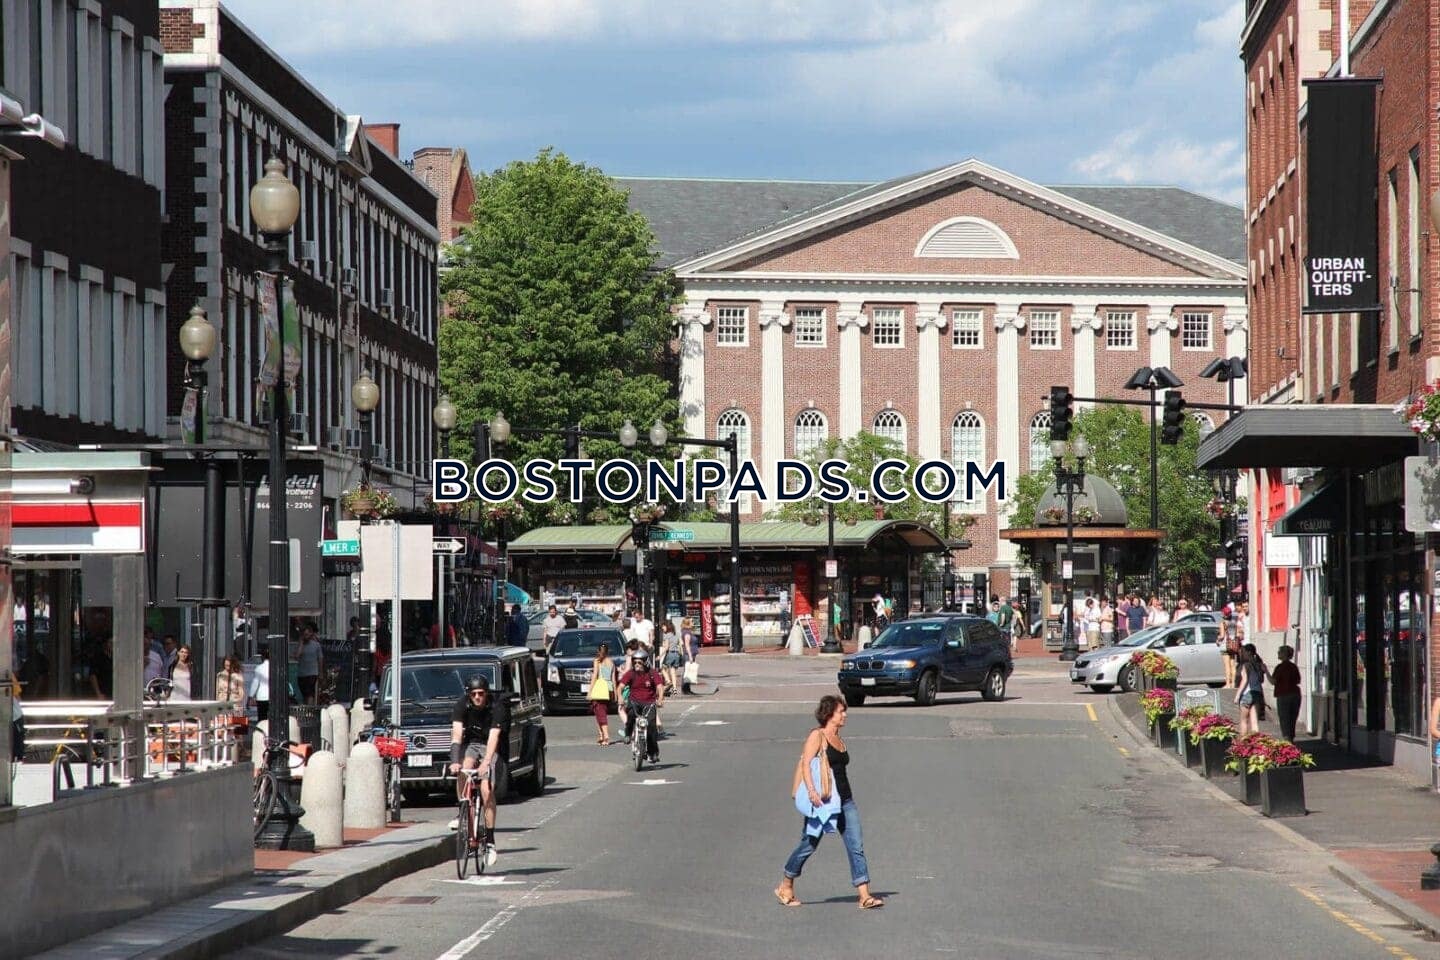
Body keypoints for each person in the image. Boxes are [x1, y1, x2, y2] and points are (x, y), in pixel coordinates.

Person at [775, 695, 883, 910]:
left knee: (856, 846)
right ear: (829, 714)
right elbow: (806, 764)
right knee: (809, 844)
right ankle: (786, 884)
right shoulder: (817, 735)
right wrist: (812, 792)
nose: (845, 715)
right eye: (841, 711)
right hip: (823, 801)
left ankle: (864, 896)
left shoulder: (839, 739)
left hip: (845, 801)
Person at [448, 674, 508, 867]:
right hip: (471, 744)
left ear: (486, 693)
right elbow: (457, 734)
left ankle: (490, 841)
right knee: (464, 769)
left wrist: (486, 763)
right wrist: (454, 761)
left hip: (492, 747)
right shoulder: (461, 705)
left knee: (485, 788)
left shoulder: (496, 707)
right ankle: (463, 810)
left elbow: (493, 738)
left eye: (481, 693)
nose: (477, 697)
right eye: (473, 694)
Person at [619, 649, 665, 763]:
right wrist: (620, 697)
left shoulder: (652, 673)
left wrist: (660, 699)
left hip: (649, 703)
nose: (636, 664)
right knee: (630, 715)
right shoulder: (631, 673)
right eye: (634, 662)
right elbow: (620, 687)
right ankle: (628, 734)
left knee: (651, 729)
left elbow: (660, 687)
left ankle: (652, 753)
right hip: (634, 702)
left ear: (645, 662)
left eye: (639, 662)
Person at [1236, 643, 1271, 737]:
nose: (1241, 654)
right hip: (1258, 693)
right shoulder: (1259, 664)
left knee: (1244, 721)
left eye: (1243, 652)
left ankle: (1243, 743)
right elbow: (1261, 680)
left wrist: (1237, 695)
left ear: (1248, 652)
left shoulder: (1246, 665)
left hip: (1247, 693)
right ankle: (1256, 742)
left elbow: (1245, 680)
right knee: (1254, 722)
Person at [1271, 645, 1302, 741]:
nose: (1278, 653)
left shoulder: (1280, 667)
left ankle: (1287, 740)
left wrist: (1265, 671)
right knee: (1292, 718)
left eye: (1280, 652)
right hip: (1295, 694)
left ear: (1284, 654)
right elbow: (1298, 680)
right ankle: (1291, 738)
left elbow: (1273, 681)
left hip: (1283, 695)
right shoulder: (1293, 667)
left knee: (1284, 718)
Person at [589, 641, 616, 745]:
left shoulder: (597, 661)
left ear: (598, 651)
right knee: (601, 711)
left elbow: (595, 676)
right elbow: (613, 679)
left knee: (600, 712)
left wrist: (590, 691)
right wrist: (615, 694)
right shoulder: (611, 662)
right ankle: (601, 734)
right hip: (609, 689)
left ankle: (606, 735)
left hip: (600, 688)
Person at [296, 624, 323, 705]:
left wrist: (320, 672)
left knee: (310, 693)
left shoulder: (316, 645)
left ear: (311, 634)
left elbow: (320, 659)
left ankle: (309, 708)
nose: (306, 636)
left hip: (312, 672)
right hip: (302, 673)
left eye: (307, 634)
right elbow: (297, 656)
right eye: (304, 635)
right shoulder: (300, 645)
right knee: (305, 693)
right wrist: (301, 643)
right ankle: (306, 707)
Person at [659, 620, 683, 694]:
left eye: (663, 626)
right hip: (677, 654)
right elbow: (681, 643)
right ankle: (675, 689)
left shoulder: (666, 635)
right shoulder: (677, 634)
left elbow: (666, 647)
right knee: (673, 671)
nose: (662, 628)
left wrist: (660, 656)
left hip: (670, 654)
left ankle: (668, 681)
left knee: (662, 668)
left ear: (667, 626)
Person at [248, 644, 271, 721]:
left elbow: (255, 683)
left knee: (262, 718)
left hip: (261, 697)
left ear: (262, 657)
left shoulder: (259, 668)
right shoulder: (276, 667)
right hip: (273, 697)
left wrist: (250, 696)